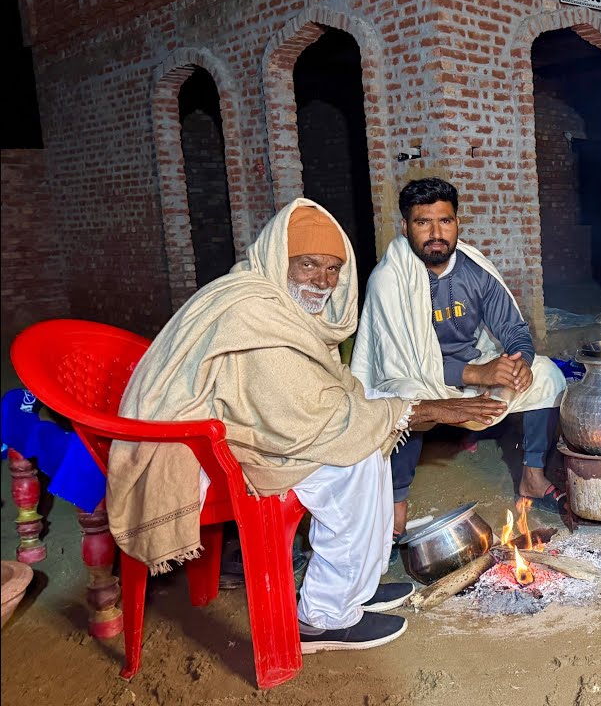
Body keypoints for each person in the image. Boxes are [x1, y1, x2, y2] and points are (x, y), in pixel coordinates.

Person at [107, 199, 505, 653]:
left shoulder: (283, 305)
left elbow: (322, 395)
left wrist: (402, 408)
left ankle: (357, 586)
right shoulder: (252, 311)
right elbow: (308, 418)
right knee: (351, 460)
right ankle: (323, 618)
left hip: (243, 423)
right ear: (279, 258)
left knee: (370, 432)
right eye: (309, 264)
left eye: (333, 268)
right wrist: (426, 409)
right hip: (190, 451)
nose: (323, 281)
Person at [352, 177, 567, 535]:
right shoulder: (389, 279)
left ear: (457, 223)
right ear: (405, 227)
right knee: (400, 399)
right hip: (416, 378)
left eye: (445, 221)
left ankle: (532, 478)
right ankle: (395, 510)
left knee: (546, 374)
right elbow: (401, 365)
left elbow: (514, 328)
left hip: (471, 374)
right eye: (423, 222)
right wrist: (479, 374)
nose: (436, 233)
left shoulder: (473, 269)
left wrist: (520, 362)